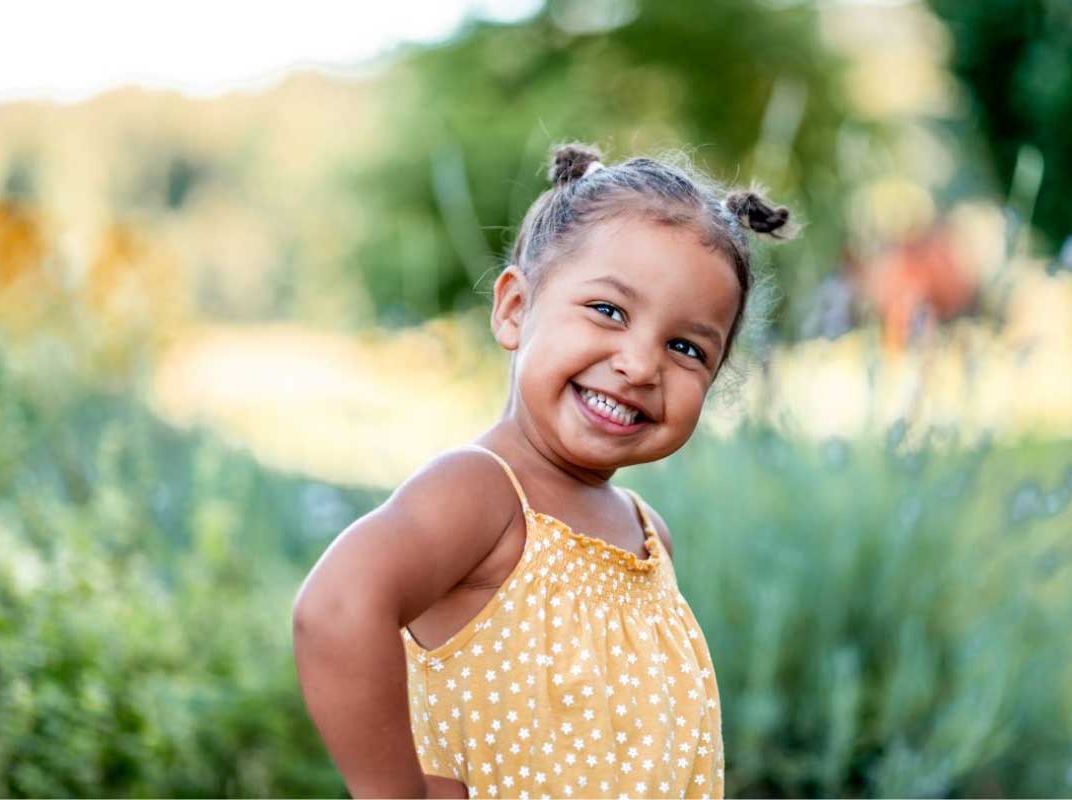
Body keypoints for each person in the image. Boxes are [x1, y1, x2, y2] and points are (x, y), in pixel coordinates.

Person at [292, 142, 796, 799]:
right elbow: (335, 609)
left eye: (685, 347)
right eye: (608, 311)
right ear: (514, 309)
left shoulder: (649, 538)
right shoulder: (482, 493)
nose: (641, 366)